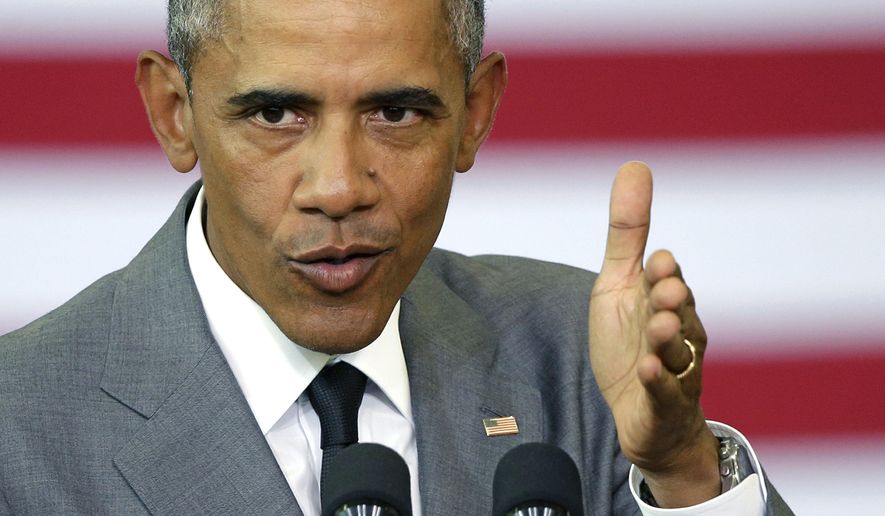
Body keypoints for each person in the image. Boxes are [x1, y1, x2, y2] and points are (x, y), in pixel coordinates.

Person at [0, 1, 793, 514]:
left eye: (395, 111)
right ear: (175, 115)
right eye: (276, 113)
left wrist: (685, 472)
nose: (339, 188)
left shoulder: (574, 358)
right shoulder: (19, 427)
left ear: (473, 114)